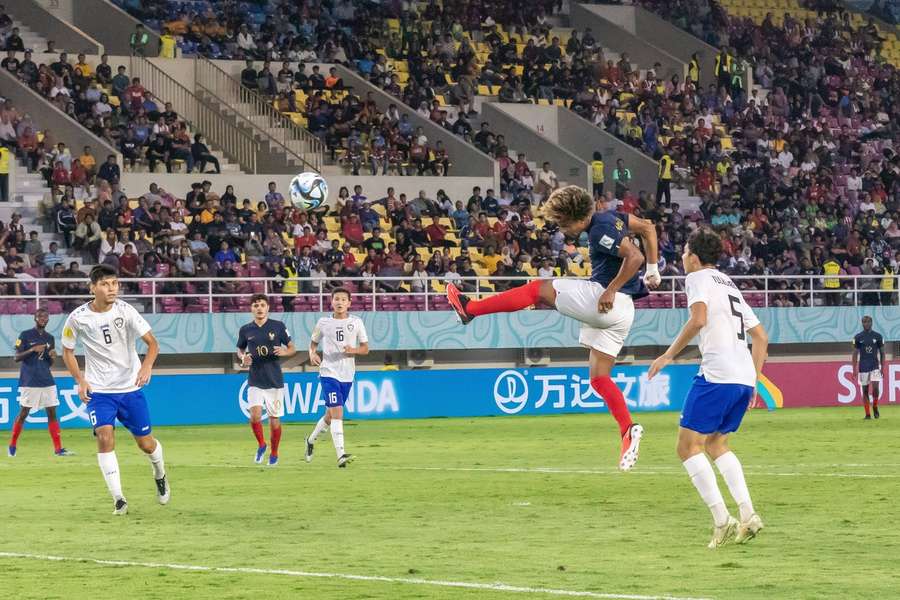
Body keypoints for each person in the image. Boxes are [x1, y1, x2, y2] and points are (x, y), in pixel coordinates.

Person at [446, 186, 660, 470]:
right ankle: (627, 431)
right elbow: (648, 228)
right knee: (599, 379)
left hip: (607, 300)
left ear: (574, 218)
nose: (563, 230)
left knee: (538, 289)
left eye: (563, 223)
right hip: (625, 312)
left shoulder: (598, 230)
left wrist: (610, 289)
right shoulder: (614, 216)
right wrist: (655, 269)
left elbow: (634, 257)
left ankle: (470, 309)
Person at [648, 228, 768, 548]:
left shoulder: (697, 278)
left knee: (687, 447)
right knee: (717, 445)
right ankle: (748, 514)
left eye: (685, 251)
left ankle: (721, 520)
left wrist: (668, 354)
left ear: (696, 258)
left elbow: (698, 319)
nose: (683, 257)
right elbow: (761, 337)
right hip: (742, 377)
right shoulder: (729, 283)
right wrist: (753, 379)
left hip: (717, 374)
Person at [61, 265, 169, 515]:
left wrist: (147, 366)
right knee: (104, 436)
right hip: (99, 391)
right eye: (105, 284)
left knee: (146, 444)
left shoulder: (126, 310)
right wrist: (81, 379)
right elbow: (67, 351)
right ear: (93, 287)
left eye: (114, 283)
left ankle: (160, 473)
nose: (112, 289)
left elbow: (152, 343)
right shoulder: (78, 317)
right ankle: (119, 498)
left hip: (130, 388)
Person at [305, 288, 369, 468]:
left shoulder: (356, 322)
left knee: (329, 415)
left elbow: (365, 348)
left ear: (349, 303)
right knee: (338, 412)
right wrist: (312, 354)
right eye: (336, 299)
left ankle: (310, 440)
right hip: (328, 372)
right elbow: (313, 342)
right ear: (331, 302)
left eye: (343, 299)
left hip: (347, 374)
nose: (340, 302)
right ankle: (341, 454)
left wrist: (353, 350)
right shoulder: (323, 322)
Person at [236, 294, 296, 465]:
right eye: (256, 305)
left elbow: (292, 348)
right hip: (255, 378)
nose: (259, 308)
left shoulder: (278, 326)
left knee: (274, 419)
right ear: (251, 309)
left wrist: (284, 352)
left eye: (262, 305)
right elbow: (239, 349)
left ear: (268, 307)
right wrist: (243, 357)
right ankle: (261, 445)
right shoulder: (246, 329)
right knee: (254, 416)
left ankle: (274, 453)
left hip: (274, 379)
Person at [8, 309, 73, 457]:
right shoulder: (25, 335)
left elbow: (47, 363)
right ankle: (12, 445)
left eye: (46, 317)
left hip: (47, 380)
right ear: (35, 318)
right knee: (24, 412)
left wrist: (52, 357)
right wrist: (32, 349)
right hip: (30, 380)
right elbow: (16, 357)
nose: (44, 319)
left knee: (52, 412)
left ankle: (58, 449)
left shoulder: (50, 338)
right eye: (41, 317)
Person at [852, 315, 885, 420]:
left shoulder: (878, 336)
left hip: (875, 366)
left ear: (871, 323)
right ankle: (867, 414)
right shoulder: (858, 337)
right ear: (862, 324)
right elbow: (855, 354)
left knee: (875, 388)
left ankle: (875, 405)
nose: (866, 324)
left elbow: (883, 353)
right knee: (865, 390)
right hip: (863, 367)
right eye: (864, 322)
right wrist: (854, 369)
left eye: (868, 322)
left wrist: (882, 368)